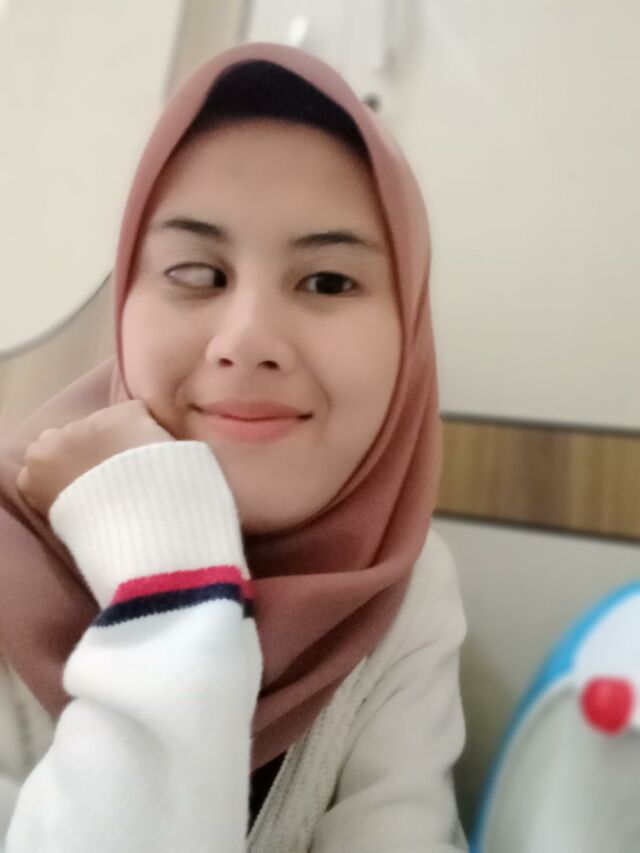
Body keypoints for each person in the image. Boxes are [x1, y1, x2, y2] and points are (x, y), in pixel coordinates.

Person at [0, 42, 467, 851]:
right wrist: (170, 581)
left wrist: (162, 581)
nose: (246, 340)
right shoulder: (15, 555)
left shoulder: (406, 583)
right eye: (197, 273)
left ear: (411, 335)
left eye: (328, 281)